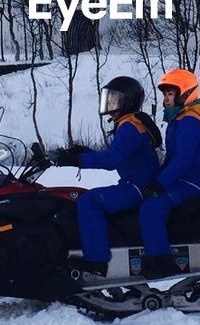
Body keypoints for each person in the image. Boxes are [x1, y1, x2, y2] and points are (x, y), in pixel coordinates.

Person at [49, 76, 161, 278]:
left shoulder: (130, 127)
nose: (109, 104)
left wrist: (75, 160)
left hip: (137, 187)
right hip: (135, 184)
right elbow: (115, 157)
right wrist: (82, 152)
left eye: (114, 99)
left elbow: (111, 160)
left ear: (128, 100)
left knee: (89, 201)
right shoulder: (129, 124)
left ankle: (97, 261)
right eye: (107, 98)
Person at [139, 68, 200, 280]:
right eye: (165, 94)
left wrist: (159, 184)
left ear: (184, 93)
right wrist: (155, 180)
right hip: (183, 179)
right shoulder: (180, 119)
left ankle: (161, 260)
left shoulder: (189, 121)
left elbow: (183, 159)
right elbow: (174, 159)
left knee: (152, 206)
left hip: (191, 182)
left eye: (170, 94)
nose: (166, 99)